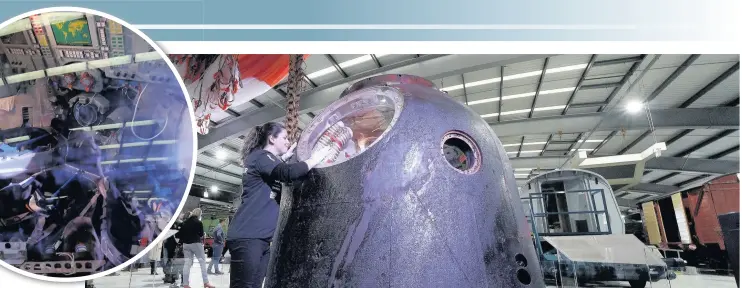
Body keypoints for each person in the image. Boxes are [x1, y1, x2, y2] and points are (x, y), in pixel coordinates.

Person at [227, 122, 334, 288]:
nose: (287, 141)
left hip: (260, 238)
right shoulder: (260, 156)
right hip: (248, 236)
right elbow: (287, 173)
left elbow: (274, 172)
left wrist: (281, 159)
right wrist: (315, 159)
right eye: (284, 137)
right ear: (271, 139)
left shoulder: (263, 160)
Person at [179, 208, 214, 288]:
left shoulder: (184, 222)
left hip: (186, 245)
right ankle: (206, 283)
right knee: (202, 263)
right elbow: (201, 234)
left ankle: (185, 284)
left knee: (187, 264)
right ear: (199, 214)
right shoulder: (198, 222)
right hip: (196, 244)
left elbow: (180, 234)